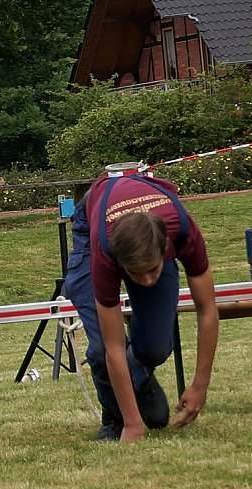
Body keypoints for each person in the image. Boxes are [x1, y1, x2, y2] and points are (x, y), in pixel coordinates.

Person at [64, 165, 219, 443]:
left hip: (148, 218)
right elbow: (113, 346)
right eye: (136, 274)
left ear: (166, 250)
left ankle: (137, 375)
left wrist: (200, 386)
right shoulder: (105, 255)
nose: (147, 281)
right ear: (120, 265)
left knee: (156, 347)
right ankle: (115, 417)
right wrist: (133, 425)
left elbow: (207, 310)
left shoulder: (182, 230)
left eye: (153, 270)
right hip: (93, 223)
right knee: (101, 350)